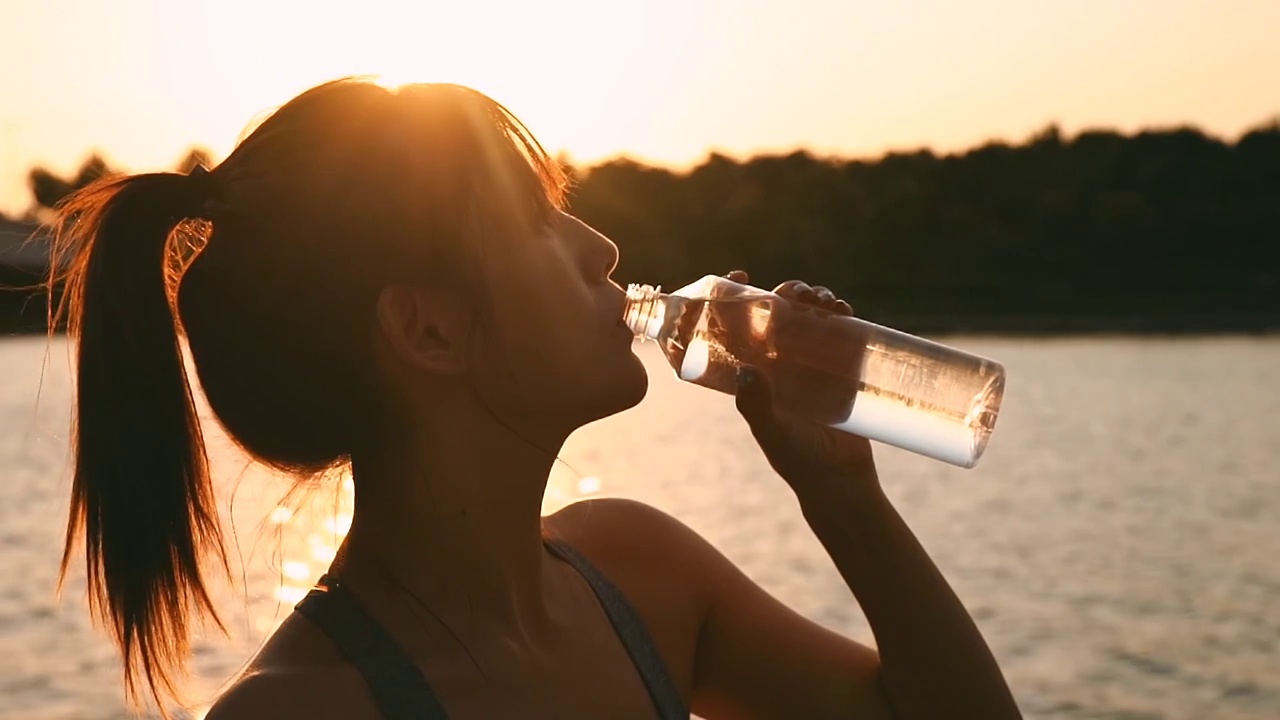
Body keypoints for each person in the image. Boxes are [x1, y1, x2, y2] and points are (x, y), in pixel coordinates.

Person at [51, 78, 1021, 719]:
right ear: (428, 330)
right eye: (532, 220)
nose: (600, 247)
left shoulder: (641, 575)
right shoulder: (306, 709)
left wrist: (841, 496)